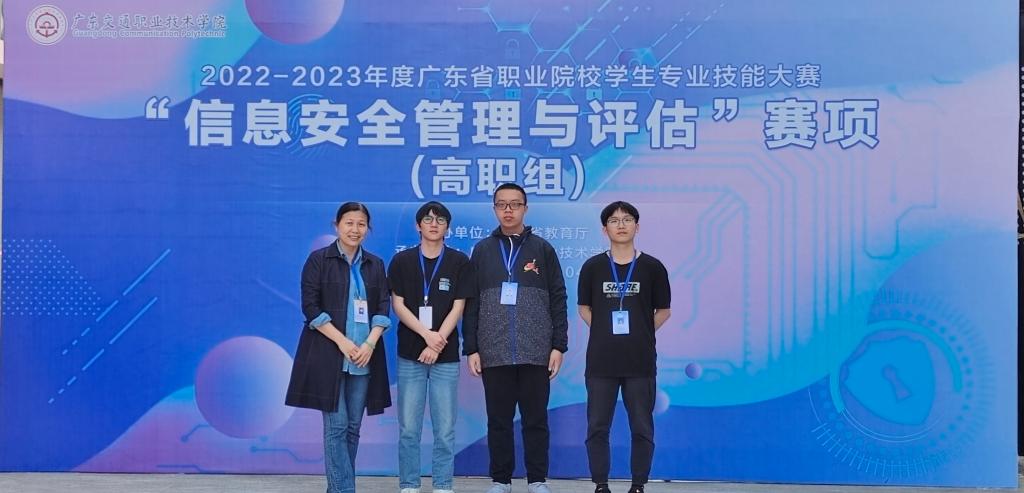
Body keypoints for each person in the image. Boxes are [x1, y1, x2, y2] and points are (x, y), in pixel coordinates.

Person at [463, 183, 569, 493]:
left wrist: (558, 345)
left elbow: (558, 298)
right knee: (498, 420)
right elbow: (471, 302)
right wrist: (472, 347)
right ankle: (501, 480)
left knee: (536, 420)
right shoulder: (482, 250)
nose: (508, 210)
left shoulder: (542, 249)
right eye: (502, 204)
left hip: (536, 350)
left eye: (515, 204)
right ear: (494, 209)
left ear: (525, 208)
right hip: (493, 350)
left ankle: (537, 479)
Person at [286, 202, 393, 493]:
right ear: (337, 225)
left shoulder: (375, 264)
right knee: (336, 426)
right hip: (329, 355)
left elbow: (383, 306)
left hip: (364, 357)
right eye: (349, 223)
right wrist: (343, 342)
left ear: (367, 229)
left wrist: (369, 343)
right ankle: (344, 490)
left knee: (353, 428)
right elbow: (311, 307)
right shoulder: (319, 260)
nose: (355, 229)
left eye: (361, 224)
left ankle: (338, 488)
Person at [577, 201, 671, 493]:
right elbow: (583, 308)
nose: (621, 225)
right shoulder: (592, 267)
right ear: (604, 229)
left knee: (642, 427)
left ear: (637, 227)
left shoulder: (652, 267)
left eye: (627, 219)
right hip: (601, 361)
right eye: (614, 220)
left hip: (639, 361)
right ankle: (601, 484)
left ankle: (638, 484)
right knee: (597, 427)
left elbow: (663, 311)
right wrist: (605, 331)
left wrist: (641, 332)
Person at [388, 201, 474, 493]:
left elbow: (458, 307)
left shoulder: (459, 261)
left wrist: (436, 344)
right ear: (418, 225)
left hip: (445, 357)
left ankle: (442, 484)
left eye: (440, 220)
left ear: (448, 227)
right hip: (410, 354)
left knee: (445, 428)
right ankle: (409, 484)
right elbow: (398, 305)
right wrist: (427, 335)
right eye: (428, 219)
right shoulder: (402, 261)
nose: (434, 224)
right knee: (408, 428)